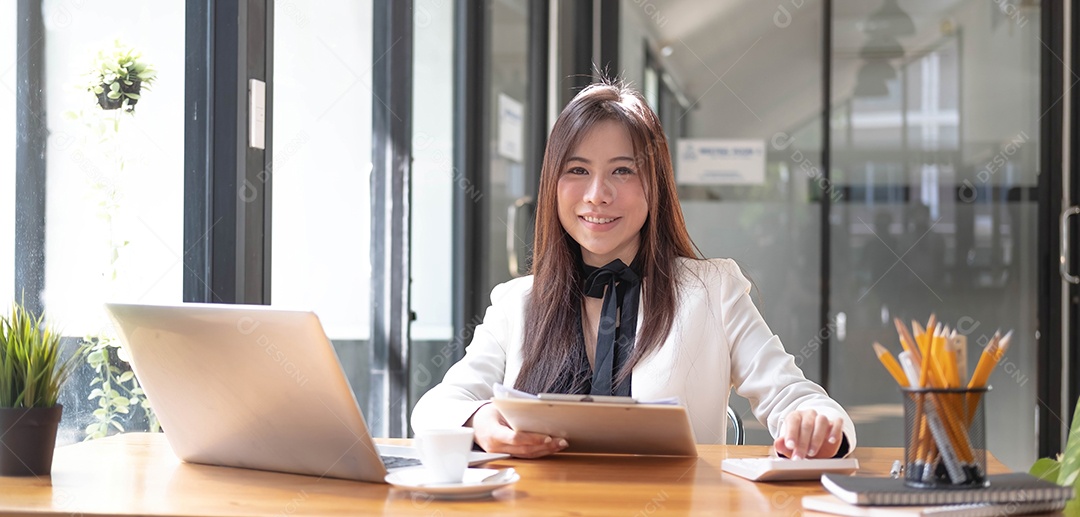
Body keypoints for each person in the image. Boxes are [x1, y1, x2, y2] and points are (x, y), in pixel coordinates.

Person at [412, 81, 856, 460]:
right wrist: (481, 419)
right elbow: (437, 406)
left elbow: (793, 396)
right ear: (553, 185)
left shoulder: (713, 290)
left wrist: (815, 425)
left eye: (622, 171)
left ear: (655, 184)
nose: (597, 194)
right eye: (578, 170)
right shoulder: (517, 303)